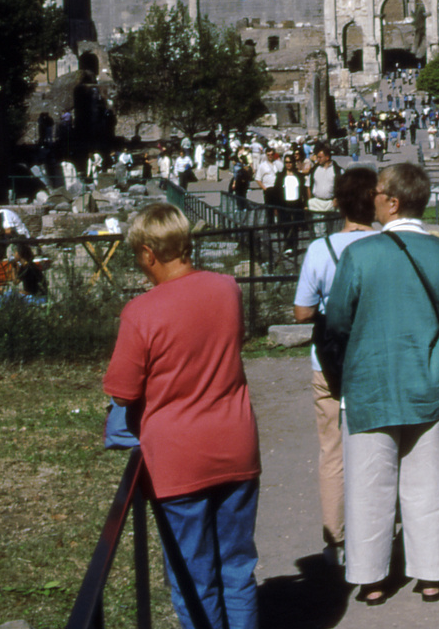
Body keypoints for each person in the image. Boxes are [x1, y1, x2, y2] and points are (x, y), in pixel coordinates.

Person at [103, 204, 261, 629]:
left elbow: (122, 389)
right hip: (236, 444)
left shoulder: (140, 312)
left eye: (138, 255)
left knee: (194, 576)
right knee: (237, 567)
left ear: (150, 253)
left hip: (178, 459)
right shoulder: (228, 288)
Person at [325, 163, 439, 605]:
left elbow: (337, 323)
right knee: (427, 480)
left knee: (369, 480)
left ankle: (371, 577)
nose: (371, 197)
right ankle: (431, 573)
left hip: (370, 378)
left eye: (377, 192)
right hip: (428, 376)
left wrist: (342, 371)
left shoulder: (360, 254)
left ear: (391, 202)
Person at [291, 166, 377, 564]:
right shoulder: (388, 245)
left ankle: (336, 540)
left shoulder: (320, 250)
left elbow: (302, 312)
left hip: (329, 362)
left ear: (338, 202)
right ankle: (376, 531)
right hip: (375, 356)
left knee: (332, 451)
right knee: (379, 445)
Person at [307, 144, 342, 215]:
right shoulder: (314, 170)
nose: (318, 159)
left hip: (331, 203)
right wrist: (309, 200)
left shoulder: (338, 171)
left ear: (327, 157)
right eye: (317, 157)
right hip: (316, 203)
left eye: (320, 157)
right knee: (317, 225)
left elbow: (343, 188)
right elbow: (308, 185)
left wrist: (338, 199)